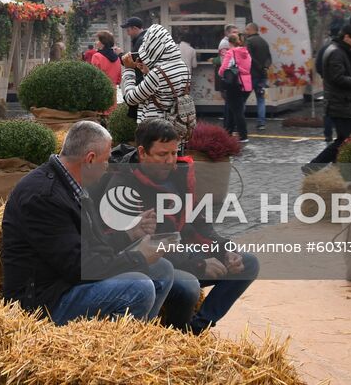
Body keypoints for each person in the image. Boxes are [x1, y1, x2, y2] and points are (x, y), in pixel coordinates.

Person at [1, 121, 175, 324]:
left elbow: (94, 248)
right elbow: (79, 268)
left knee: (162, 270)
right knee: (139, 287)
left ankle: (136, 340)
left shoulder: (73, 185)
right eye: (106, 160)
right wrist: (138, 258)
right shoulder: (43, 197)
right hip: (44, 302)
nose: (108, 167)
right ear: (90, 159)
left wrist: (129, 235)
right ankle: (114, 351)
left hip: (68, 282)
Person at [102, 119, 261, 332]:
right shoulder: (122, 185)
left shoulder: (180, 176)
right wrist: (198, 265)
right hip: (144, 264)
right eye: (162, 154)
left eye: (174, 153)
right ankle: (173, 334)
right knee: (188, 285)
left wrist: (226, 250)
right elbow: (138, 247)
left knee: (248, 263)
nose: (170, 161)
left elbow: (201, 225)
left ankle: (195, 330)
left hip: (181, 252)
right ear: (143, 152)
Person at [303, 25, 351, 173]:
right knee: (344, 140)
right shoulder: (337, 52)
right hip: (338, 103)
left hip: (340, 102)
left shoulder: (337, 50)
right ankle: (313, 167)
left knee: (346, 139)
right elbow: (337, 78)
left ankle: (334, 170)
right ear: (346, 36)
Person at [119, 17, 194, 143]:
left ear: (154, 47)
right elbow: (166, 89)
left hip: (154, 131)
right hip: (176, 125)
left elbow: (131, 99)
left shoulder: (157, 74)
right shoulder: (182, 66)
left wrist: (129, 70)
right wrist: (148, 72)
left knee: (155, 161)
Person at [218, 31, 253, 143]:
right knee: (232, 109)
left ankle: (243, 136)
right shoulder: (246, 52)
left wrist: (222, 73)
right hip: (247, 85)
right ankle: (227, 132)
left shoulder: (231, 52)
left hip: (235, 84)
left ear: (230, 43)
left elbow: (222, 70)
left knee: (237, 111)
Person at [243, 23, 271, 130]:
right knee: (260, 99)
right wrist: (265, 67)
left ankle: (239, 121)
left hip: (251, 75)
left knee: (242, 99)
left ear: (251, 30)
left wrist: (259, 67)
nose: (245, 31)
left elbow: (247, 57)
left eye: (246, 29)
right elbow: (269, 58)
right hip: (262, 76)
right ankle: (261, 123)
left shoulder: (249, 41)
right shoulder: (264, 42)